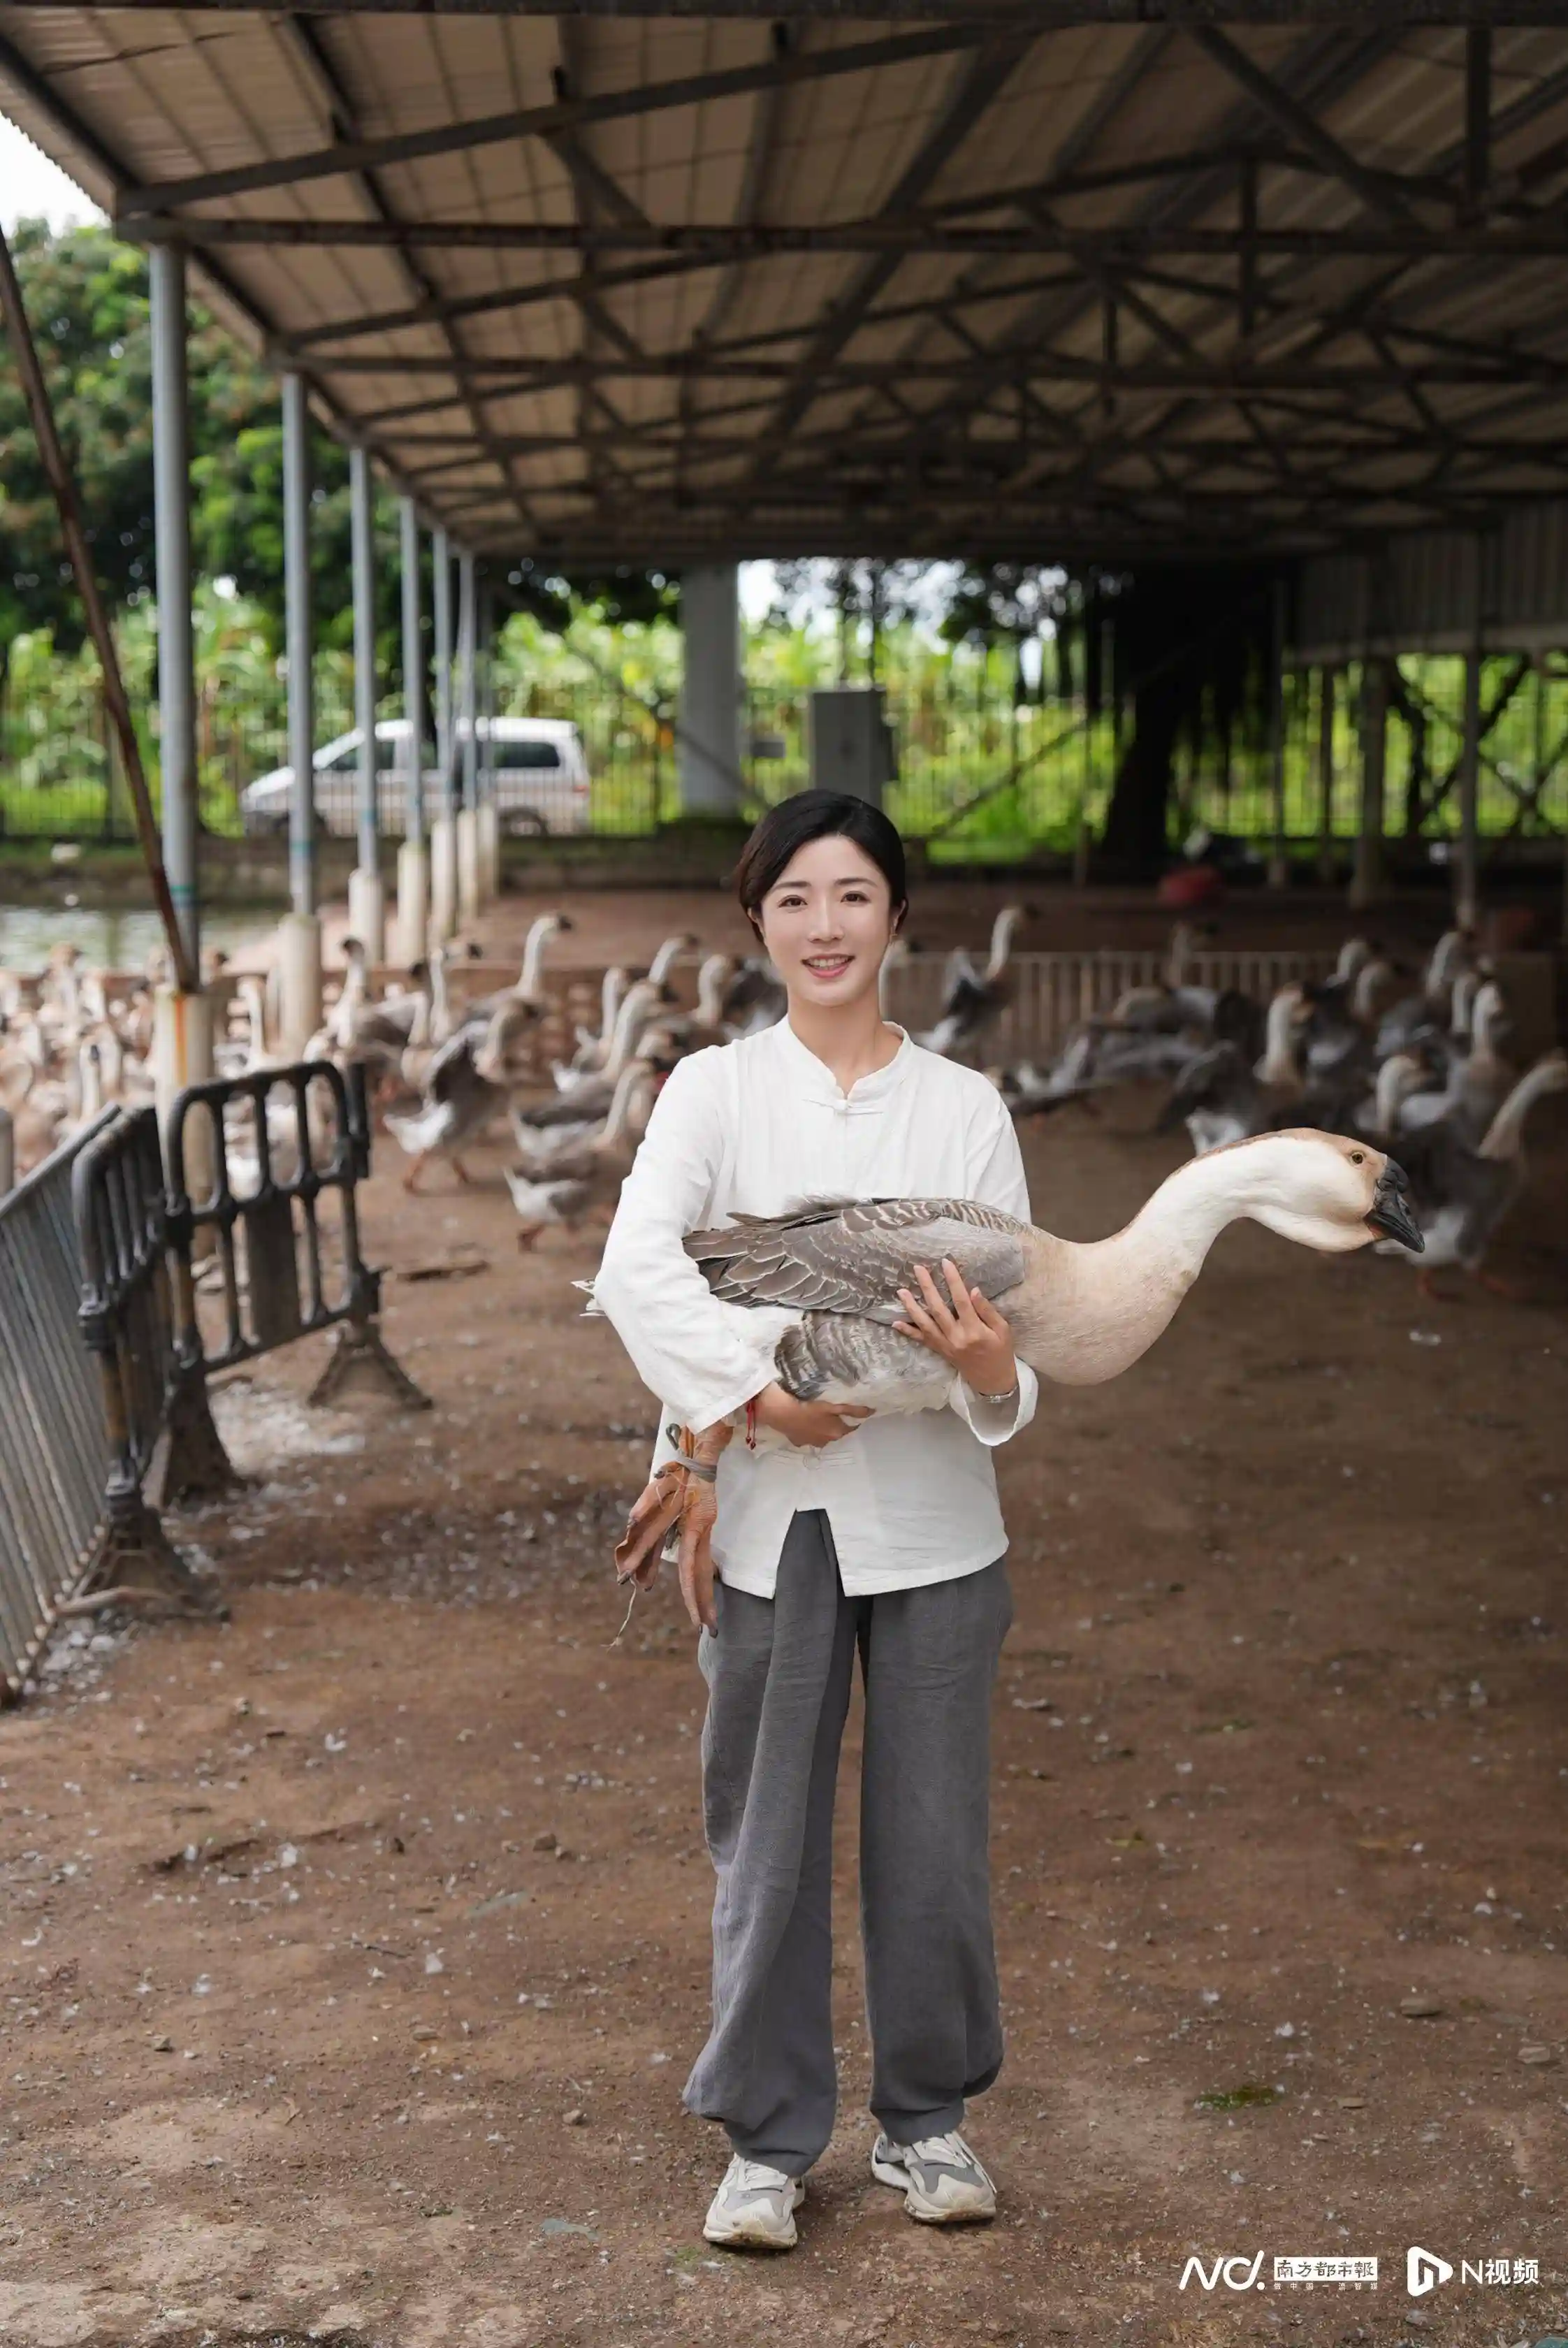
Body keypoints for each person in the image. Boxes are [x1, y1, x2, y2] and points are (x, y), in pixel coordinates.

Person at [591, 790, 1037, 2252]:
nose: (825, 926)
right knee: (765, 1843)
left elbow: (995, 1335)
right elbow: (641, 1270)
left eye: (852, 896)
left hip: (935, 1538)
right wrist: (747, 1403)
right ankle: (767, 2147)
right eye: (795, 899)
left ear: (898, 915)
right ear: (759, 920)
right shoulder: (715, 1092)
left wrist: (986, 1376)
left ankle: (928, 2128)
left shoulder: (964, 1110)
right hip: (775, 1526)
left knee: (932, 1841)